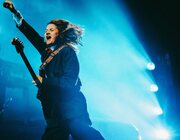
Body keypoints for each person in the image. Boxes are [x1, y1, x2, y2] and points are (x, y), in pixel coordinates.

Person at [4, 1, 105, 140]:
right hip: (55, 110)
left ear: (61, 33)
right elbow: (33, 36)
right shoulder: (48, 52)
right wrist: (15, 13)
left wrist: (44, 81)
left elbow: (69, 83)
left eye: (51, 30)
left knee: (83, 133)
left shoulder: (68, 52)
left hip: (71, 109)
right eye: (46, 30)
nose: (47, 32)